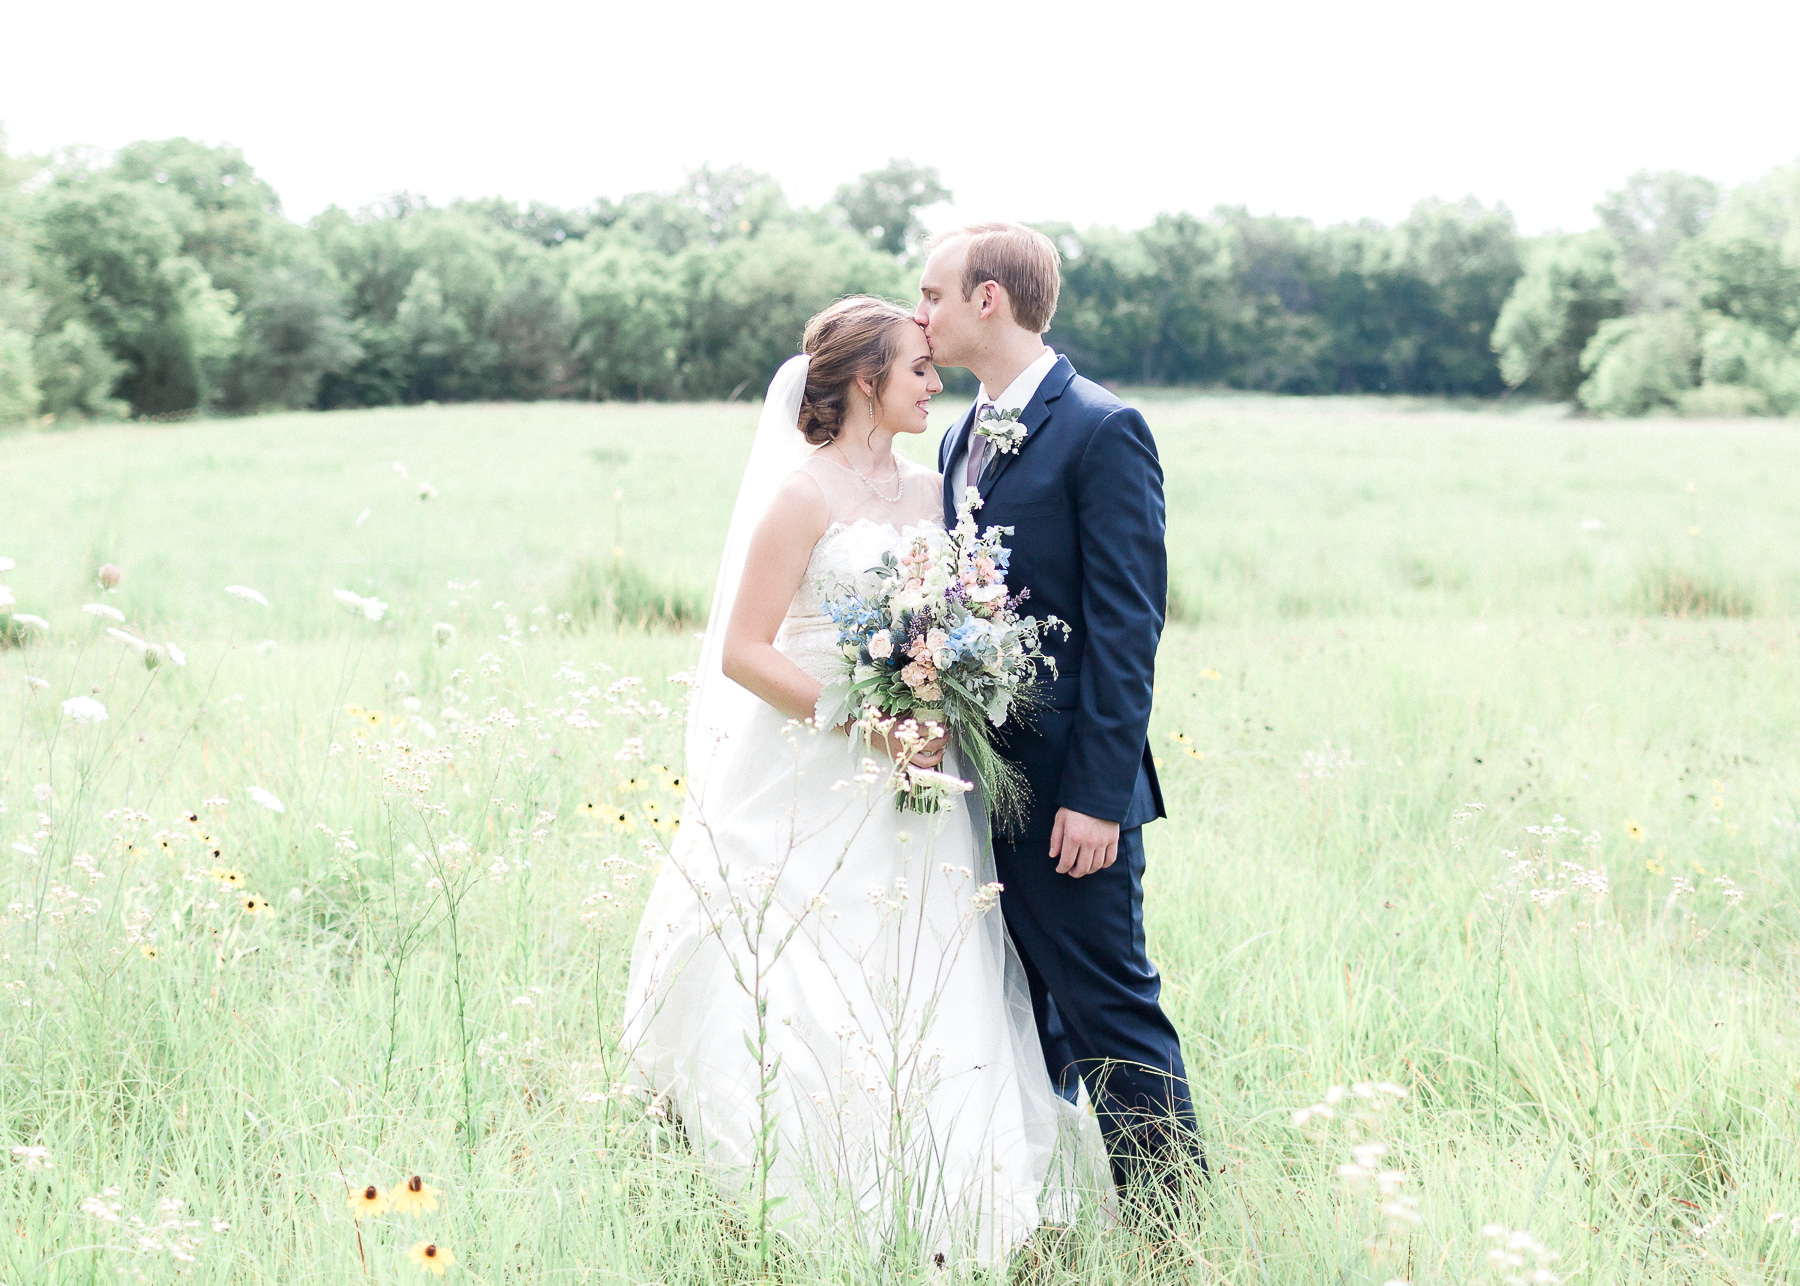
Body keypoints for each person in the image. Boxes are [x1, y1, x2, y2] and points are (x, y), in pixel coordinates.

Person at [621, 296, 1103, 1270]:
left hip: (926, 767)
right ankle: (796, 1182)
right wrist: (867, 716)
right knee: (801, 962)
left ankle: (952, 1189)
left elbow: (964, 617)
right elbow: (745, 651)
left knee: (936, 949)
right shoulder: (801, 495)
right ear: (863, 381)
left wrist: (955, 687)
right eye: (919, 368)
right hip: (816, 760)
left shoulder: (937, 492)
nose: (938, 382)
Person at [917, 223, 1207, 1207]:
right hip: (975, 784)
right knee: (1016, 1011)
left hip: (1071, 795)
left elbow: (1128, 629)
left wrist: (1093, 797)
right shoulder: (960, 434)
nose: (922, 316)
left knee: (1107, 1006)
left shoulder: (1102, 426)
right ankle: (1049, 1207)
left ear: (987, 299)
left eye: (933, 295)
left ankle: (1177, 1223)